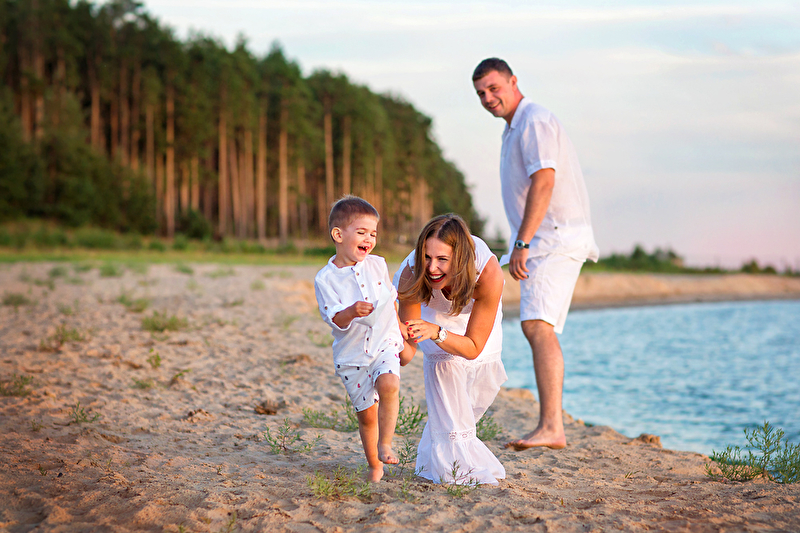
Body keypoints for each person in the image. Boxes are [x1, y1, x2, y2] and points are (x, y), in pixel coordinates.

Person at [472, 58, 599, 451]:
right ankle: (551, 425)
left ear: (513, 81)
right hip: (541, 240)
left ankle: (552, 428)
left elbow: (545, 180)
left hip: (555, 237)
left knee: (538, 325)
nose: (489, 98)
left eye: (494, 88)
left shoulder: (535, 120)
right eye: (481, 94)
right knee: (535, 325)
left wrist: (522, 242)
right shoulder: (512, 129)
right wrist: (521, 243)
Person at [394, 214, 507, 485]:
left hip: (473, 329)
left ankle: (449, 457)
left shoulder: (488, 273)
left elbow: (473, 347)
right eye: (427, 257)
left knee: (478, 390)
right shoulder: (412, 274)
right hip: (431, 316)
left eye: (442, 259)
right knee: (444, 371)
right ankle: (454, 469)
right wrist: (390, 339)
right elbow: (407, 352)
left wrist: (438, 333)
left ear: (460, 259)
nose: (432, 268)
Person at [314, 195, 412, 482]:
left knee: (390, 383)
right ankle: (374, 465)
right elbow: (334, 318)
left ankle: (386, 443)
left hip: (384, 342)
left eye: (374, 233)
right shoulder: (326, 279)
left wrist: (401, 332)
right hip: (352, 355)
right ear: (338, 235)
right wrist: (351, 311)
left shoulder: (378, 264)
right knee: (367, 416)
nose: (370, 238)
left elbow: (389, 301)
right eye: (362, 232)